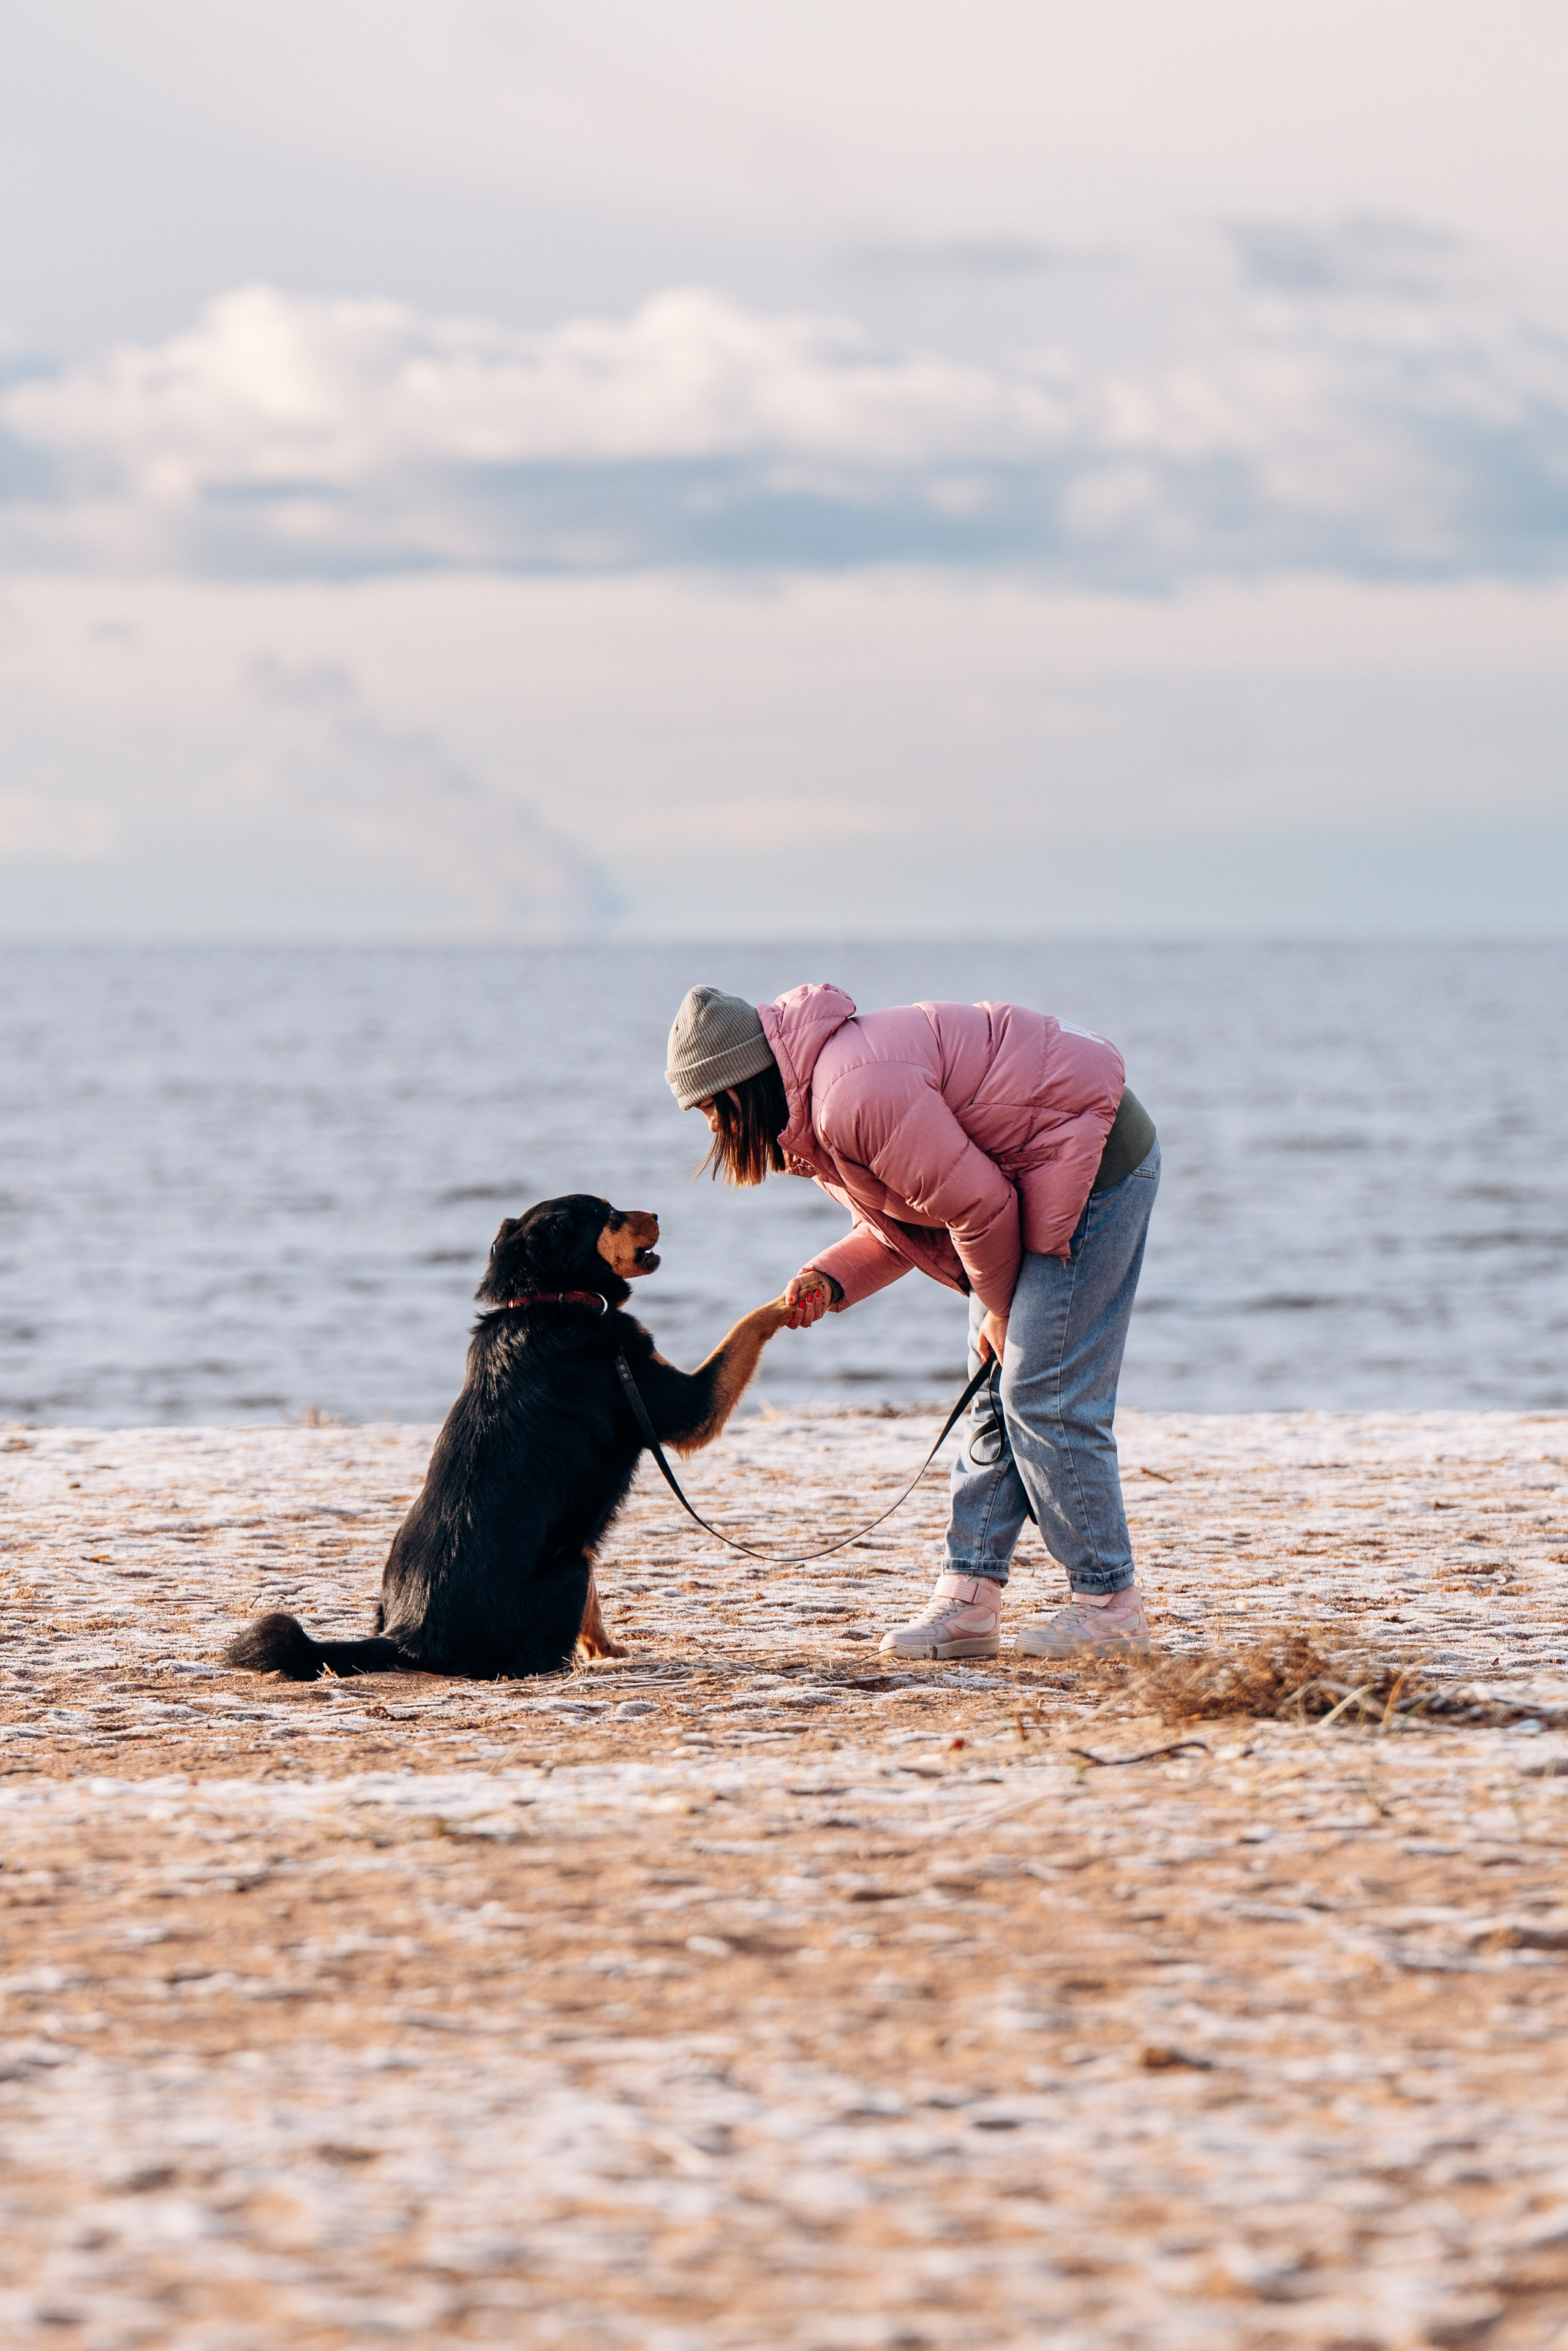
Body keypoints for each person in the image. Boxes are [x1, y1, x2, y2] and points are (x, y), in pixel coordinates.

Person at [664, 982, 1159, 1660]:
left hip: (1090, 1157)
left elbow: (977, 1207)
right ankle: (969, 1600)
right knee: (993, 1387)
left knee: (1040, 1390)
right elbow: (906, 1219)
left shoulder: (850, 1096)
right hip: (1023, 1176)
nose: (714, 1130)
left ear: (736, 1087)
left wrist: (1002, 1309)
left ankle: (1109, 1606)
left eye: (708, 1112)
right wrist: (830, 1277)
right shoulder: (815, 1108)